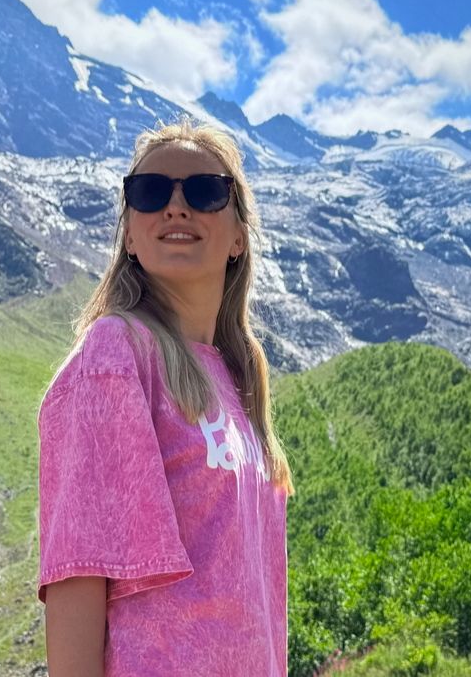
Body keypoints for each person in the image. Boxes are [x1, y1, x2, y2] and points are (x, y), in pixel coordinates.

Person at [35, 118, 295, 676]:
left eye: (204, 191)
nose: (176, 207)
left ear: (239, 236)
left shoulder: (237, 379)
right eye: (150, 192)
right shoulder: (116, 354)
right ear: (130, 235)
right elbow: (79, 572)